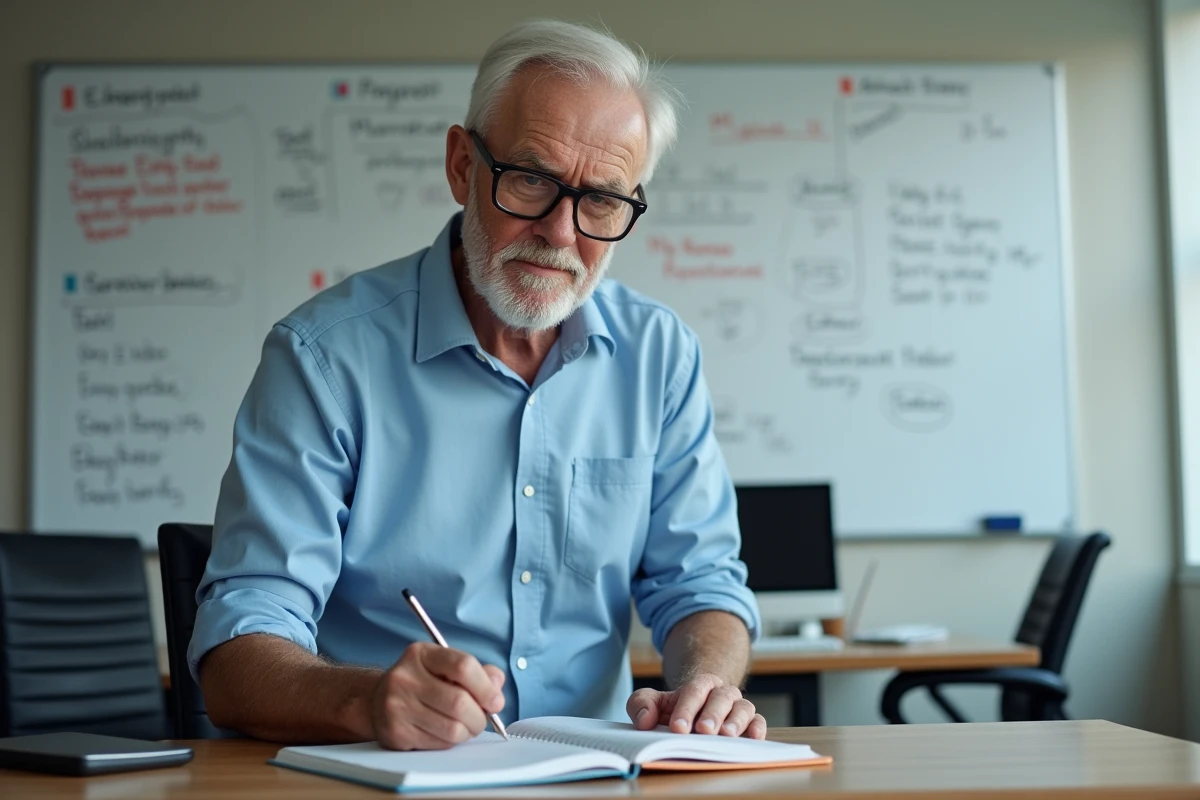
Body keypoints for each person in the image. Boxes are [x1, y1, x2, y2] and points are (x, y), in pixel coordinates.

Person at [190, 19, 763, 751]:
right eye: (531, 179)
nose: (561, 233)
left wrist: (707, 686)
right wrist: (365, 700)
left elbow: (702, 585)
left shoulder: (659, 354)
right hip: (384, 778)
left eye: (603, 201)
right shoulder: (323, 359)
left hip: (593, 775)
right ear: (462, 164)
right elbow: (237, 655)